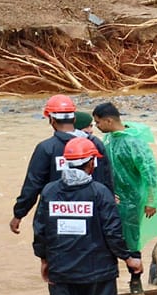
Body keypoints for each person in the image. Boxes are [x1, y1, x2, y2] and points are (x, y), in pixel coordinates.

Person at [32, 135, 141, 295]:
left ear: (65, 164)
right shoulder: (99, 193)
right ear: (91, 163)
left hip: (61, 272)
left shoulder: (50, 192)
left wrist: (44, 259)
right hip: (97, 272)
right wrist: (129, 257)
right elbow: (113, 232)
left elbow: (40, 230)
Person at [10, 94, 114, 235]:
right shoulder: (95, 144)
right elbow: (106, 181)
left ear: (51, 119)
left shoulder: (46, 148)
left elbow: (33, 185)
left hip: (58, 218)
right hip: (92, 214)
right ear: (74, 118)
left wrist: (19, 214)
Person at [89, 101, 157, 253]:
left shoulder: (134, 142)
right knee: (112, 235)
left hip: (133, 199)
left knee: (131, 236)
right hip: (114, 196)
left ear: (109, 121)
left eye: (98, 122)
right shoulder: (110, 138)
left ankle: (135, 272)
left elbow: (150, 173)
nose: (97, 126)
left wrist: (151, 201)